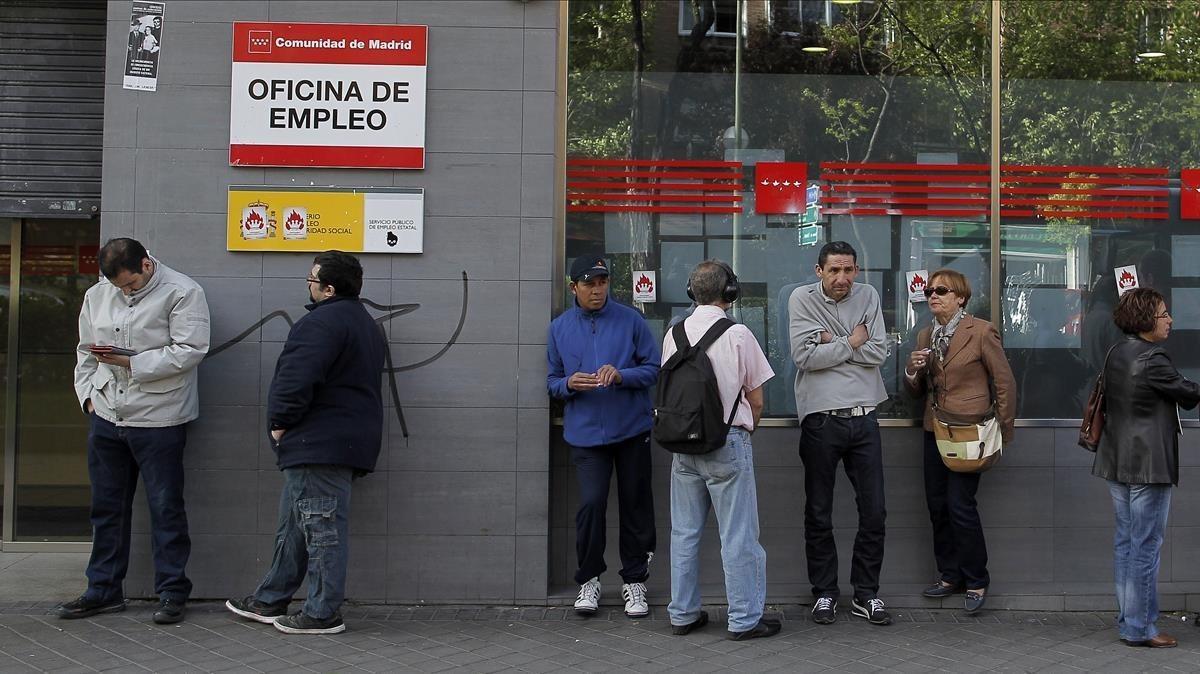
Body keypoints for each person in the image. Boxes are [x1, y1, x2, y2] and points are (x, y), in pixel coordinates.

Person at [226, 251, 386, 635]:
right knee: (296, 525)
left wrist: (280, 422)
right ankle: (270, 598)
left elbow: (296, 376)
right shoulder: (363, 323)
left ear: (328, 289)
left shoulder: (321, 323)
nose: (309, 285)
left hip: (318, 443)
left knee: (321, 531)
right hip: (337, 443)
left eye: (311, 280)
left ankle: (321, 612)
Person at [60, 238, 210, 624]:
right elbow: (83, 351)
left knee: (165, 508)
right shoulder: (98, 294)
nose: (124, 291)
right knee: (106, 509)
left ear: (146, 265)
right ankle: (103, 590)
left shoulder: (183, 291)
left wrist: (131, 363)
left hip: (160, 418)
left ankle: (173, 591)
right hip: (107, 413)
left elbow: (191, 349)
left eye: (129, 284)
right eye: (118, 286)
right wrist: (88, 397)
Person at [664, 260, 779, 640]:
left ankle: (683, 614)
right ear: (730, 291)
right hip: (727, 441)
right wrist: (746, 432)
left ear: (690, 292)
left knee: (684, 533)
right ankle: (744, 619)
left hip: (683, 446)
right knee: (739, 536)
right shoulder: (739, 333)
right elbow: (757, 399)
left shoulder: (673, 333)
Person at [547, 256, 659, 618]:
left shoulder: (631, 320)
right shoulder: (559, 328)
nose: (597, 290)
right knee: (591, 504)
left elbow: (653, 369)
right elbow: (551, 381)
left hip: (632, 430)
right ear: (573, 288)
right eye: (589, 283)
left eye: (602, 282)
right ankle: (589, 578)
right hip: (585, 435)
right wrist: (568, 383)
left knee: (635, 504)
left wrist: (622, 374)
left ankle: (635, 581)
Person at [788, 240, 891, 626]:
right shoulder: (802, 299)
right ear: (819, 271)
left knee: (875, 511)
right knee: (818, 511)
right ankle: (825, 593)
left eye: (848, 270)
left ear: (857, 271)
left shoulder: (869, 295)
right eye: (834, 270)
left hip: (865, 417)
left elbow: (879, 353)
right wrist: (852, 339)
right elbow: (804, 357)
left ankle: (866, 593)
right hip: (821, 419)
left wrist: (832, 340)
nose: (842, 278)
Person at [903, 269, 1016, 614]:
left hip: (970, 430)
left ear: (960, 298)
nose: (933, 295)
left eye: (942, 290)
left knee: (960, 506)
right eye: (930, 291)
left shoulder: (980, 331)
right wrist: (912, 370)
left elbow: (1004, 383)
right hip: (934, 429)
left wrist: (1002, 431)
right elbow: (916, 389)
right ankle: (949, 574)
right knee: (937, 505)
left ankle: (976, 579)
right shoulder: (925, 334)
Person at [1092, 287, 1200, 648]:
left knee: (1126, 543)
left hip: (1116, 460)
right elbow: (1188, 394)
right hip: (1148, 465)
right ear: (1145, 320)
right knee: (1145, 547)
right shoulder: (1153, 358)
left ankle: (1129, 622)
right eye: (1164, 314)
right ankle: (1141, 628)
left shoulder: (1116, 352)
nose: (1170, 320)